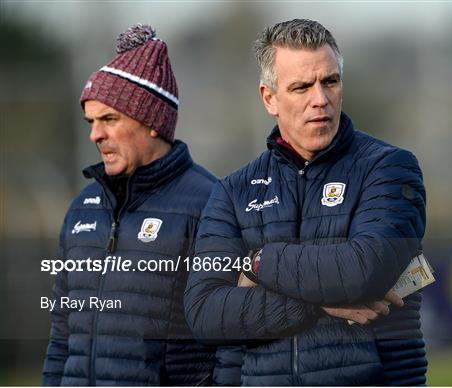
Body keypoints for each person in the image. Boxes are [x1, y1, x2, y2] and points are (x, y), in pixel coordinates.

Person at [184, 19, 427, 386]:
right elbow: (205, 313)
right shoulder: (234, 191)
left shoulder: (389, 168)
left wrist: (258, 263)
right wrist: (317, 302)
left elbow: (362, 272)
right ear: (269, 98)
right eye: (301, 87)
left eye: (330, 81)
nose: (320, 99)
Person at [42, 24, 216, 386]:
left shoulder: (211, 204)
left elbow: (230, 343)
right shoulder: (81, 209)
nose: (95, 134)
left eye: (109, 119)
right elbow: (61, 336)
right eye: (91, 121)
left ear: (152, 122)